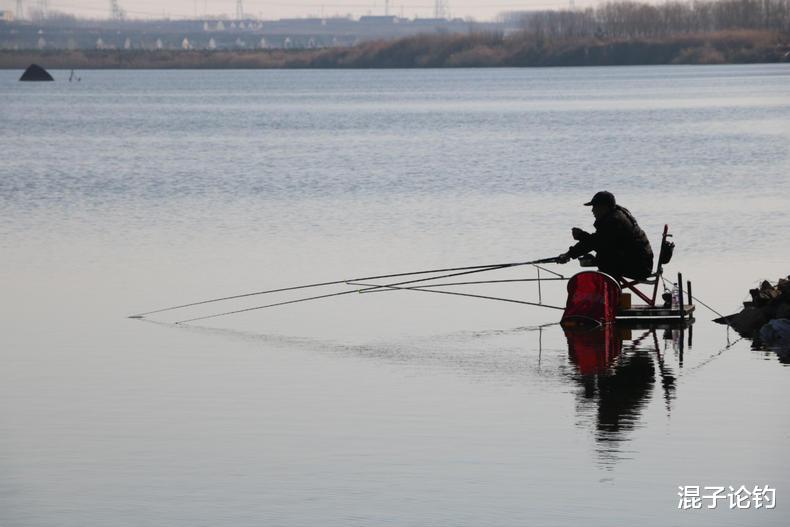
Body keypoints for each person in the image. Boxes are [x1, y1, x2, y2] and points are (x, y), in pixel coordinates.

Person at [557, 191, 654, 280]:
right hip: (641, 262)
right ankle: (611, 294)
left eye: (595, 206)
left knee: (604, 261)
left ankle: (611, 295)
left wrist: (570, 252)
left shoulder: (614, 221)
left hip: (639, 267)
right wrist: (579, 241)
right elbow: (600, 241)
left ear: (604, 207)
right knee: (603, 258)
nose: (592, 210)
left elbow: (596, 243)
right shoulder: (616, 215)